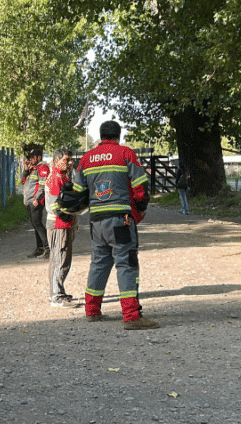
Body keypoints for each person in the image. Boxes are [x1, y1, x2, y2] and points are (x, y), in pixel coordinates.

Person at [69, 120, 159, 330]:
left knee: (99, 263)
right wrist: (141, 208)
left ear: (101, 136)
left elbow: (77, 193)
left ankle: (92, 311)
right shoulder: (126, 154)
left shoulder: (86, 159)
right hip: (121, 221)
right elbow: (141, 188)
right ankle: (131, 316)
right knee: (126, 264)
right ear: (118, 136)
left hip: (96, 223)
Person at [45, 147, 79, 308]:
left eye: (71, 159)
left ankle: (57, 291)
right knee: (60, 259)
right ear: (56, 161)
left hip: (64, 224)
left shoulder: (62, 177)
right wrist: (70, 218)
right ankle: (56, 296)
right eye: (66, 160)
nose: (70, 163)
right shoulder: (56, 178)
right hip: (59, 225)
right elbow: (56, 205)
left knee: (59, 258)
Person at [21, 149, 50, 258]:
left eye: (32, 157)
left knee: (37, 224)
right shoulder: (33, 169)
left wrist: (36, 199)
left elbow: (42, 185)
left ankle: (48, 248)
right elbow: (23, 181)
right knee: (35, 224)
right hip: (29, 201)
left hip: (36, 202)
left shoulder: (43, 168)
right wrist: (25, 171)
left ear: (38, 157)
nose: (30, 160)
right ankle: (40, 248)